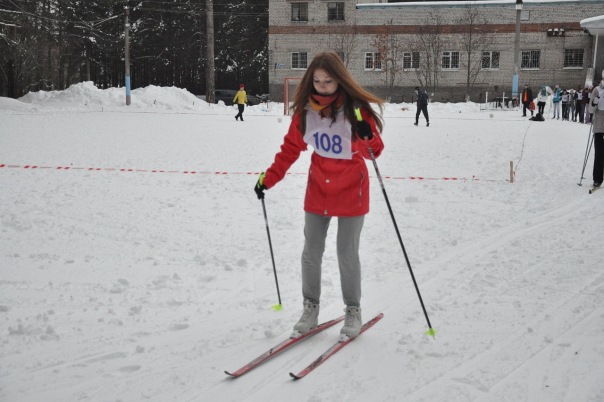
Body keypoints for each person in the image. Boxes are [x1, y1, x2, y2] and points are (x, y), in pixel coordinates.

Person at [253, 51, 384, 341]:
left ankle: (353, 310)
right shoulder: (305, 112)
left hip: (352, 190)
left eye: (328, 81)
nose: (322, 86)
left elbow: (373, 152)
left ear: (340, 81)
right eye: (317, 81)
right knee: (311, 253)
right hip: (319, 189)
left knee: (346, 254)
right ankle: (310, 308)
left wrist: (366, 135)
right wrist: (268, 179)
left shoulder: (355, 109)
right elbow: (290, 150)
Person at [590, 75, 604, 188]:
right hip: (599, 124)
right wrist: (594, 103)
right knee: (599, 153)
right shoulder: (597, 89)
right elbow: (590, 109)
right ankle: (597, 178)